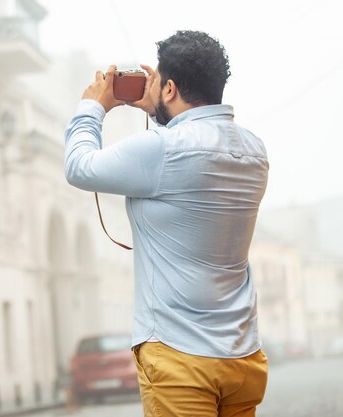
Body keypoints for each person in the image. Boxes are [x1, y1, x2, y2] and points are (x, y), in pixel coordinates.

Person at [63, 30, 269, 417]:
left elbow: (78, 167)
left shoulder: (162, 150)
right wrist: (161, 113)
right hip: (243, 356)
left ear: (170, 88)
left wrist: (92, 108)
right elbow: (185, 170)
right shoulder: (254, 151)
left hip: (180, 358)